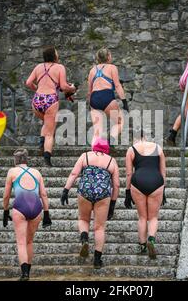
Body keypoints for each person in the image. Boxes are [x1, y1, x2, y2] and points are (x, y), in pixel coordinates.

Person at [61, 138, 120, 269]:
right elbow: (116, 184)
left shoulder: (85, 156)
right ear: (107, 148)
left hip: (85, 190)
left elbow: (74, 173)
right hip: (103, 194)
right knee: (99, 227)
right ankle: (97, 260)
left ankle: (84, 238)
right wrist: (113, 204)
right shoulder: (111, 161)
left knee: (83, 219)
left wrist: (65, 190)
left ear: (94, 146)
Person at [2, 148, 52, 281]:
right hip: (37, 208)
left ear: (15, 160)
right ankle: (28, 272)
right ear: (26, 159)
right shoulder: (36, 173)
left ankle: (25, 274)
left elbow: (6, 195)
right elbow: (43, 194)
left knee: (21, 243)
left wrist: (5, 210)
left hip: (20, 206)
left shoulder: (12, 171)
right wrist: (46, 213)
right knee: (29, 241)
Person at [25, 46, 77, 166]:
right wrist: (72, 88)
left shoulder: (38, 67)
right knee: (50, 132)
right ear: (54, 56)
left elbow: (28, 83)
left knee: (46, 124)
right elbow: (63, 86)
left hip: (37, 100)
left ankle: (41, 145)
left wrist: (37, 89)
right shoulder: (59, 68)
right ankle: (47, 159)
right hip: (50, 100)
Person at [125, 130, 166, 259]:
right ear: (144, 137)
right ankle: (151, 240)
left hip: (138, 182)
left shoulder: (131, 150)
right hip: (156, 181)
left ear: (134, 139)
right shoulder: (158, 148)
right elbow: (163, 171)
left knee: (142, 217)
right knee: (153, 217)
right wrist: (163, 190)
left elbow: (128, 174)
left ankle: (142, 246)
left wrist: (127, 192)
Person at [87, 48, 129, 147]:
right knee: (120, 122)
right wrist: (124, 102)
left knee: (97, 130)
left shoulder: (92, 70)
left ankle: (95, 156)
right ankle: (110, 139)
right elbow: (118, 86)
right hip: (107, 96)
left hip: (94, 98)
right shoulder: (112, 67)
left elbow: (89, 91)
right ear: (108, 57)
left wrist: (91, 105)